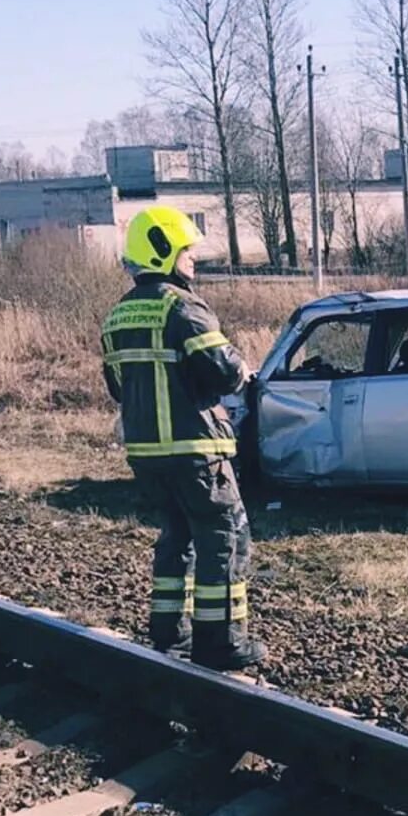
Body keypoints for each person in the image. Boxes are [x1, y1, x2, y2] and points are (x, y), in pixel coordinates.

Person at [101, 206, 262, 671]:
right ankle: (221, 641)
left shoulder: (117, 316)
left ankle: (169, 636)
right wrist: (242, 367)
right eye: (188, 251)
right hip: (195, 450)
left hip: (147, 457)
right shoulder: (184, 308)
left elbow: (117, 386)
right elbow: (225, 372)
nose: (193, 260)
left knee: (176, 538)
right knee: (223, 536)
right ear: (164, 251)